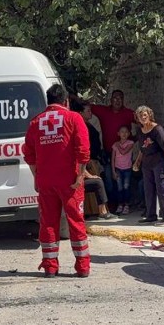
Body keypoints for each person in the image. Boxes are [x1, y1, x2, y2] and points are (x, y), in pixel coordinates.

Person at [23, 84, 91, 278]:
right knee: (76, 222)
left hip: (46, 181)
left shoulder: (35, 122)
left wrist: (37, 177)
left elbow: (29, 154)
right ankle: (82, 267)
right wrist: (80, 175)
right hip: (69, 181)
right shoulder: (74, 118)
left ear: (48, 101)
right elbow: (83, 150)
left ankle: (50, 267)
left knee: (48, 223)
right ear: (66, 101)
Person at [133, 105, 164, 227]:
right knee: (148, 190)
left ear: (149, 115)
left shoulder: (157, 129)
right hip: (147, 163)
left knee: (162, 189)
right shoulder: (139, 130)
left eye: (145, 115)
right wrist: (137, 162)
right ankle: (151, 216)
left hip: (159, 162)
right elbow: (142, 148)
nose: (142, 117)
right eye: (140, 116)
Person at [89, 90, 135, 200]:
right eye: (115, 97)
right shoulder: (104, 111)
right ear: (111, 100)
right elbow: (86, 106)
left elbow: (142, 122)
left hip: (124, 155)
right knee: (110, 179)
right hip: (109, 153)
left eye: (120, 98)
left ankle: (124, 203)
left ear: (123, 100)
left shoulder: (128, 113)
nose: (117, 100)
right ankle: (112, 203)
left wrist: (135, 139)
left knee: (124, 181)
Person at [112, 125, 134, 214]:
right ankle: (120, 205)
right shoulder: (115, 145)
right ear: (118, 134)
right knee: (119, 188)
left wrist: (118, 145)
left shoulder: (130, 143)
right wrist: (113, 171)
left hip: (127, 169)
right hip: (118, 168)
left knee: (126, 187)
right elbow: (113, 158)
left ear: (129, 134)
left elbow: (124, 152)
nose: (124, 134)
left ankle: (127, 205)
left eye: (126, 132)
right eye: (122, 132)